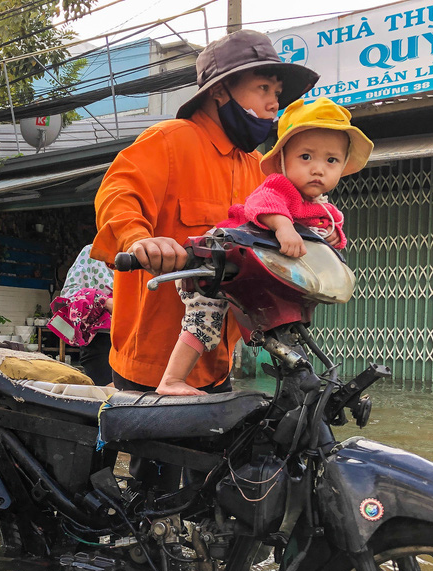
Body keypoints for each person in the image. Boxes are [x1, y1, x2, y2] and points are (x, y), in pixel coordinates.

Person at [92, 29, 319, 395]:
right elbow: (118, 194)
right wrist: (140, 240)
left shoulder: (259, 169)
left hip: (215, 361)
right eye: (263, 89)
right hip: (150, 362)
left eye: (276, 94)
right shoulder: (169, 140)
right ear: (219, 90)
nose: (274, 103)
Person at [157, 98, 373, 395]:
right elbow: (261, 204)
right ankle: (171, 380)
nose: (318, 170)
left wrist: (336, 238)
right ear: (283, 159)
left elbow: (328, 236)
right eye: (306, 157)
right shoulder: (278, 187)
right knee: (204, 320)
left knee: (286, 334)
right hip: (217, 261)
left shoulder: (323, 209)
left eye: (331, 161)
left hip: (261, 277)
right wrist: (283, 225)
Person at [49, 243, 114, 386]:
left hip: (142, 340)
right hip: (102, 340)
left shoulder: (148, 251)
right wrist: (104, 301)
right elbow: (70, 296)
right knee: (112, 397)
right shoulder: (94, 252)